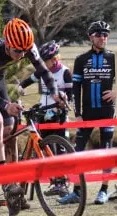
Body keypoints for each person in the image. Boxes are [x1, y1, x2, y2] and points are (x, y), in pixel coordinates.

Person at [0, 18, 63, 209]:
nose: (21, 54)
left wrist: (55, 94)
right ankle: (5, 181)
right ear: (8, 44)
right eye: (17, 51)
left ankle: (14, 189)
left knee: (11, 132)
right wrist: (5, 104)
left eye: (25, 51)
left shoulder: (26, 46)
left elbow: (45, 73)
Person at [59, 21, 116, 205]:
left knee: (106, 151)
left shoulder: (112, 58)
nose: (103, 38)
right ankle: (77, 191)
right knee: (78, 151)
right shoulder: (81, 59)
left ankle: (104, 190)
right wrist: (78, 113)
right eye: (99, 34)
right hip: (87, 112)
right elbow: (75, 89)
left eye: (106, 35)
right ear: (91, 37)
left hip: (107, 111)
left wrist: (116, 92)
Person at [18, 40, 73, 196]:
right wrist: (20, 87)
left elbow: (71, 95)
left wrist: (63, 100)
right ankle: (54, 181)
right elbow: (28, 81)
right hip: (43, 113)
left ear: (54, 58)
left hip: (59, 115)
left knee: (60, 149)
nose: (41, 64)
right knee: (45, 148)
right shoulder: (42, 72)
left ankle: (62, 183)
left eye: (45, 61)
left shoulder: (65, 72)